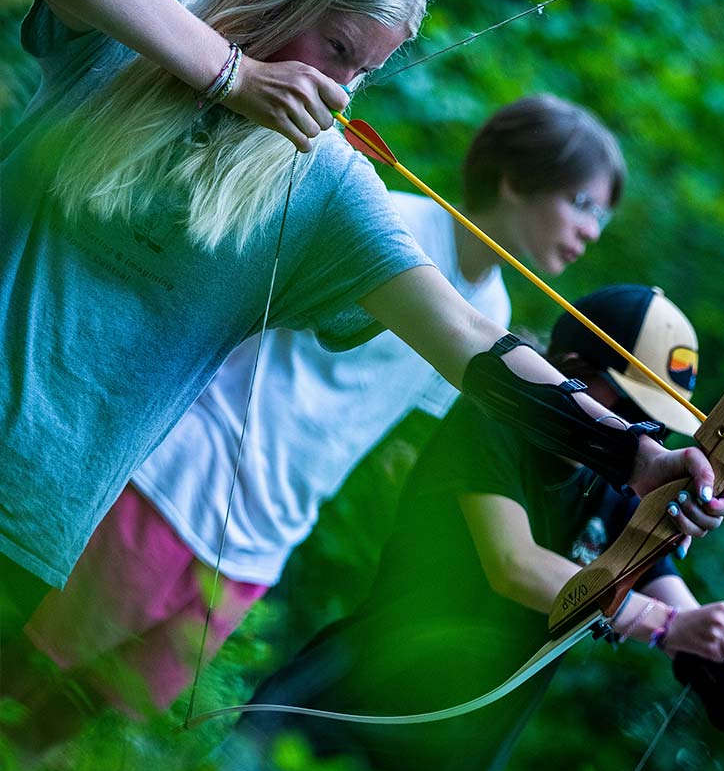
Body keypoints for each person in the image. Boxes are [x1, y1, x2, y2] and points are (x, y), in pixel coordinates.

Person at [1, 0, 724, 669]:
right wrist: (236, 77)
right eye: (339, 48)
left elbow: (466, 335)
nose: (342, 89)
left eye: (365, 71)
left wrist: (635, 455)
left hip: (31, 518)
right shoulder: (147, 24)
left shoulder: (323, 186)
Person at [13, 93, 626, 732]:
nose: (589, 231)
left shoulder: (492, 311)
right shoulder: (389, 224)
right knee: (24, 675)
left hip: (259, 549)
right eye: (581, 204)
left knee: (87, 727)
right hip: (175, 490)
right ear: (515, 179)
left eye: (601, 220)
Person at [218, 285, 724, 771]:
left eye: (663, 423)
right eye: (636, 410)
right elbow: (514, 564)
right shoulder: (493, 420)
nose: (652, 435)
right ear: (573, 373)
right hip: (324, 734)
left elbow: (692, 624)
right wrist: (661, 624)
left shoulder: (616, 495)